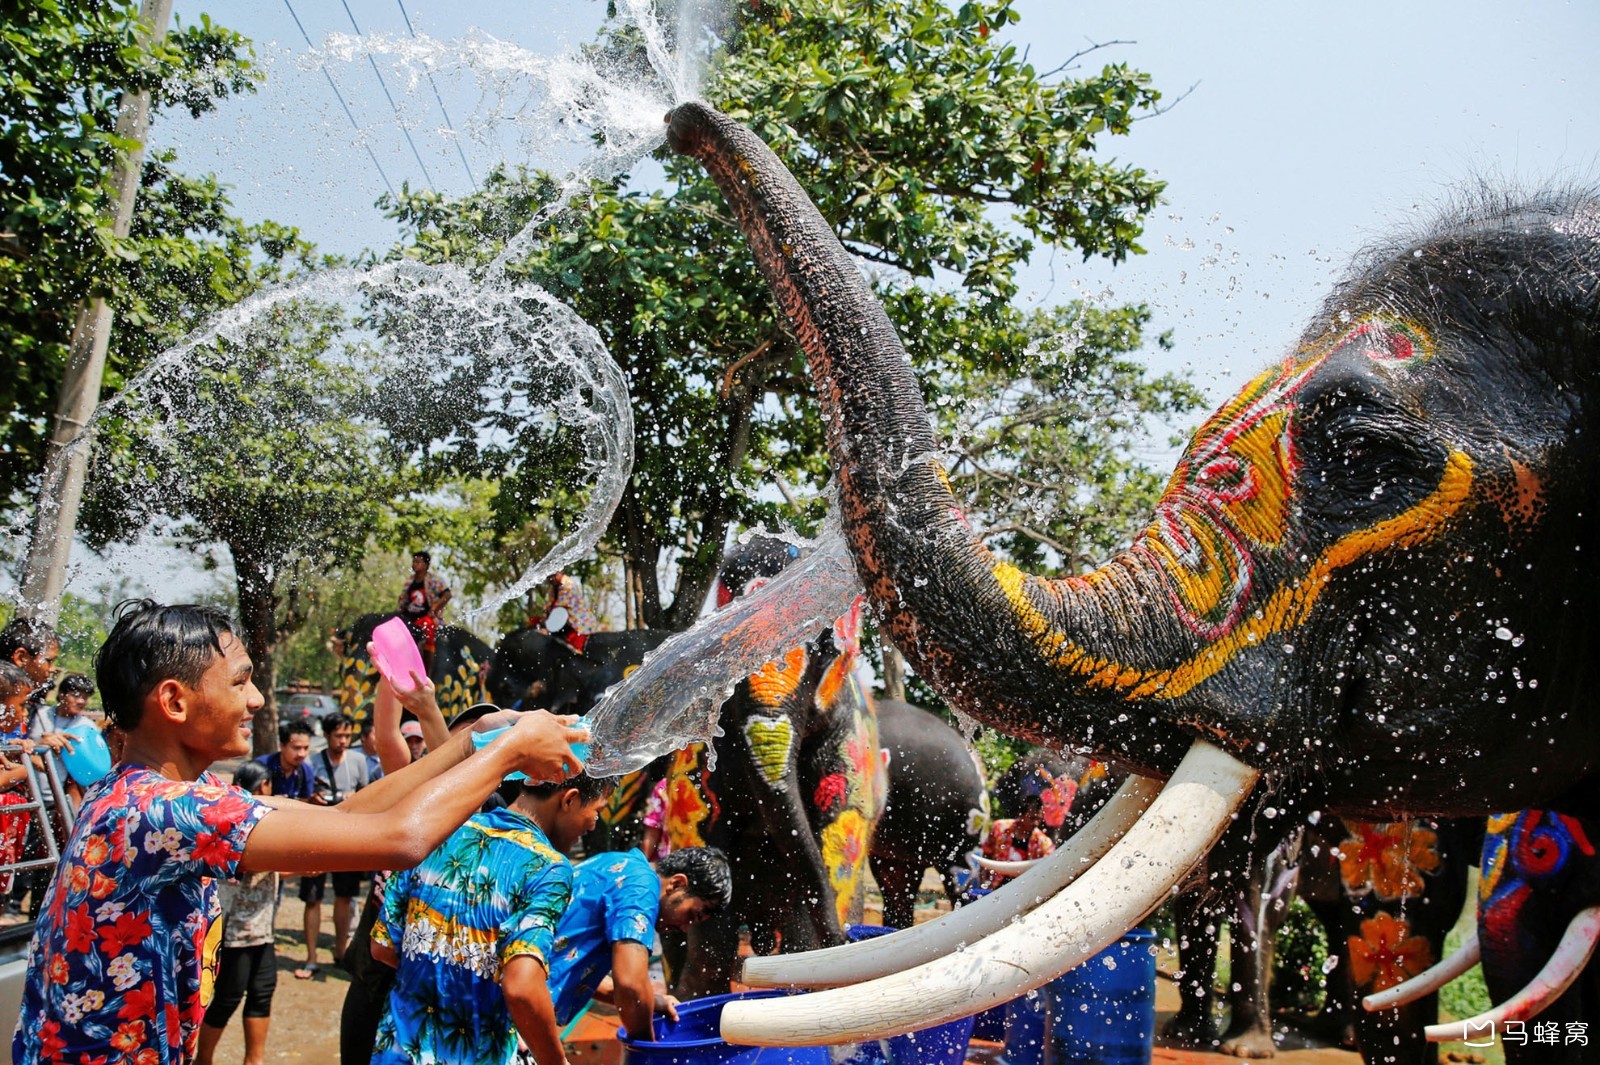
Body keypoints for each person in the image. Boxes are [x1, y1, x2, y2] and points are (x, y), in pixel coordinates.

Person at [12, 599, 586, 1065]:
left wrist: (473, 740)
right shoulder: (161, 812)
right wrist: (509, 750)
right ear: (174, 701)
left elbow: (349, 818)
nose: (257, 699)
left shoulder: (149, 797)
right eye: (240, 682)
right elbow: (399, 840)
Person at [369, 772, 617, 1065]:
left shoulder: (438, 831)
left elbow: (382, 948)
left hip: (396, 1050)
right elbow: (522, 987)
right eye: (597, 811)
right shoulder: (548, 868)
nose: (593, 825)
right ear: (570, 800)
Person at [547, 847, 732, 1039]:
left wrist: (650, 1000)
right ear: (677, 884)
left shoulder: (619, 864)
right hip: (519, 1014)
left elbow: (571, 971)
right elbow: (630, 985)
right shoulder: (642, 889)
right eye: (692, 915)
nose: (685, 928)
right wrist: (649, 1050)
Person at [196, 761, 278, 1065]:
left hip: (261, 930)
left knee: (262, 993)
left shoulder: (266, 820)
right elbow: (249, 863)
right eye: (265, 784)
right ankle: (203, 1060)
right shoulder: (238, 825)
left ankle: (254, 1060)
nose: (269, 789)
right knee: (228, 997)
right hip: (235, 932)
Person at [297, 711, 372, 977]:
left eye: (347, 735)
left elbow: (368, 795)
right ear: (327, 735)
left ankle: (342, 949)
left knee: (345, 895)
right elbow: (302, 798)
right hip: (315, 834)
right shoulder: (312, 762)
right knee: (313, 897)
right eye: (338, 735)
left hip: (345, 835)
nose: (343, 740)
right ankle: (311, 957)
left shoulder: (359, 760)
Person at [979, 793, 1056, 889]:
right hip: (995, 886)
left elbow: (1049, 866)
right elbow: (986, 854)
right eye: (1032, 818)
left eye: (1038, 819)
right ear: (1021, 815)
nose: (1035, 823)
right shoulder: (999, 828)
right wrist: (983, 884)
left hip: (1023, 889)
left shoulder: (1044, 843)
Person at [397, 551, 451, 671]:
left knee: (428, 628)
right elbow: (403, 601)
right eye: (413, 561)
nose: (414, 564)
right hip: (409, 617)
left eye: (418, 562)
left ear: (426, 565)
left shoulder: (434, 580)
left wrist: (435, 607)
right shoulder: (409, 581)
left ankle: (427, 671)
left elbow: (447, 594)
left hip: (426, 617)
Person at [256, 720, 315, 800]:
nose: (302, 754)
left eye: (306, 748)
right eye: (296, 748)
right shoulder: (260, 767)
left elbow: (305, 801)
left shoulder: (306, 771)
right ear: (282, 746)